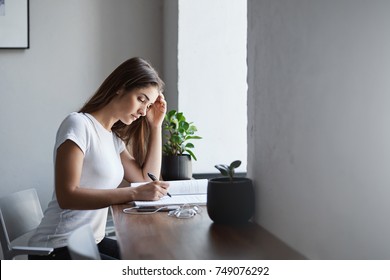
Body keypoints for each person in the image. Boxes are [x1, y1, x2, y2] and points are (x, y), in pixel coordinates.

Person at [28, 57, 169, 260]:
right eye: (141, 99)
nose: (143, 111)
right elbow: (67, 196)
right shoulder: (78, 124)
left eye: (148, 106)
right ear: (120, 87)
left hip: (93, 239)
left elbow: (145, 180)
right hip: (57, 247)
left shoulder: (112, 138)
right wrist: (133, 193)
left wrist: (156, 126)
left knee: (151, 260)